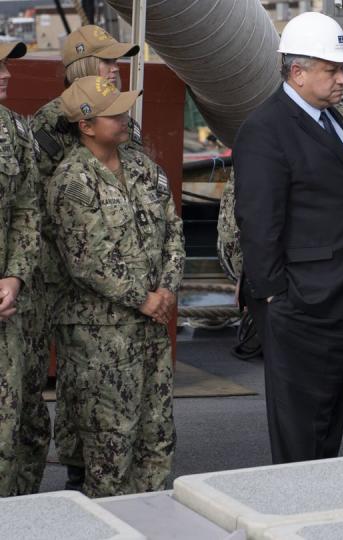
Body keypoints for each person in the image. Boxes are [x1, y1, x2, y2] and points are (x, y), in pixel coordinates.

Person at [233, 12, 343, 463]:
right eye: (332, 70)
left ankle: (319, 501)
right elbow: (259, 223)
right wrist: (275, 299)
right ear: (297, 72)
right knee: (302, 431)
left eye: (342, 68)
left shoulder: (332, 120)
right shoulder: (267, 130)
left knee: (326, 423)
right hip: (304, 307)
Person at [46, 76, 183, 497]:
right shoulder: (72, 180)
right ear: (86, 125)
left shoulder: (142, 165)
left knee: (156, 435)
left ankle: (152, 517)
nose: (125, 119)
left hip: (150, 327)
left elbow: (173, 230)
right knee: (111, 444)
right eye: (114, 114)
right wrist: (142, 298)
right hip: (101, 336)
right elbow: (87, 259)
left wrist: (167, 290)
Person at [22, 24, 141, 494]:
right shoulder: (50, 126)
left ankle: (83, 467)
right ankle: (72, 473)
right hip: (57, 274)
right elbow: (34, 206)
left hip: (99, 271)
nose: (116, 68)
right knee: (70, 379)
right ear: (83, 67)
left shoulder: (113, 113)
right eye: (108, 61)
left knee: (86, 381)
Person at [218, 147, 343, 456]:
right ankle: (307, 462)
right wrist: (248, 275)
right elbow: (243, 213)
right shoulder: (275, 125)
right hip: (300, 282)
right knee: (299, 381)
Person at [0, 41, 41, 497]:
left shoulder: (14, 130)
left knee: (7, 429)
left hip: (5, 307)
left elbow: (28, 209)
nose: (7, 73)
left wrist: (15, 275)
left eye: (7, 64)